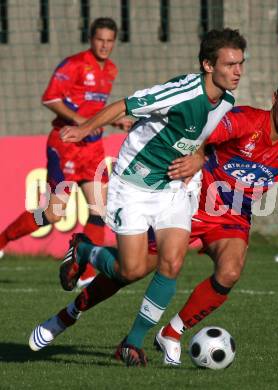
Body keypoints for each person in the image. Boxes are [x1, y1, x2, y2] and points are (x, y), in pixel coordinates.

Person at [29, 72, 278, 367]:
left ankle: (167, 334)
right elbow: (205, 137)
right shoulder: (245, 120)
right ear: (275, 98)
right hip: (192, 204)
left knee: (231, 271)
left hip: (232, 218)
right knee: (130, 271)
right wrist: (198, 158)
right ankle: (69, 308)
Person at [55, 28, 247, 365]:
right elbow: (125, 105)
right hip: (133, 182)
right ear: (207, 64)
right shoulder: (181, 91)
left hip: (173, 188)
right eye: (230, 64)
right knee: (129, 270)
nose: (238, 71)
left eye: (241, 63)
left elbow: (205, 138)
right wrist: (85, 128)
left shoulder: (226, 101)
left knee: (171, 262)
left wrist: (199, 158)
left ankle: (132, 343)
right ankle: (85, 249)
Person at [0, 17, 131, 286]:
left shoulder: (111, 70)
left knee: (100, 210)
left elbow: (93, 109)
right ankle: (2, 239)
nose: (104, 45)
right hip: (66, 144)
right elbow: (50, 98)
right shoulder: (74, 64)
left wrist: (112, 120)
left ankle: (86, 272)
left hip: (92, 148)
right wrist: (83, 122)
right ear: (90, 39)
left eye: (109, 41)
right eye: (100, 40)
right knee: (53, 213)